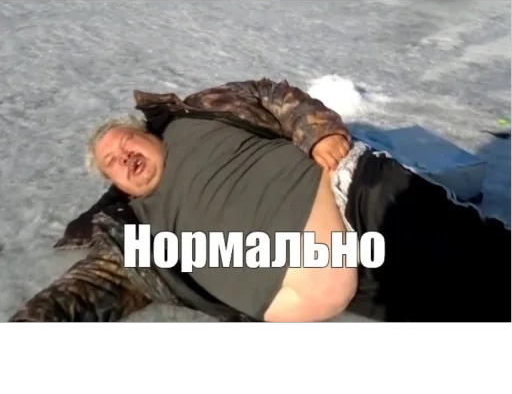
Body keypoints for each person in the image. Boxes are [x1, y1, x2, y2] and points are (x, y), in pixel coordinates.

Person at [9, 78, 511, 325]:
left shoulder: (198, 116)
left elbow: (272, 95)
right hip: (345, 285)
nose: (124, 157)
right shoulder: (134, 232)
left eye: (126, 143)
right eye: (112, 162)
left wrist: (317, 132)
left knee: (476, 259)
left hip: (351, 194)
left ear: (147, 134)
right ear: (114, 182)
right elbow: (83, 292)